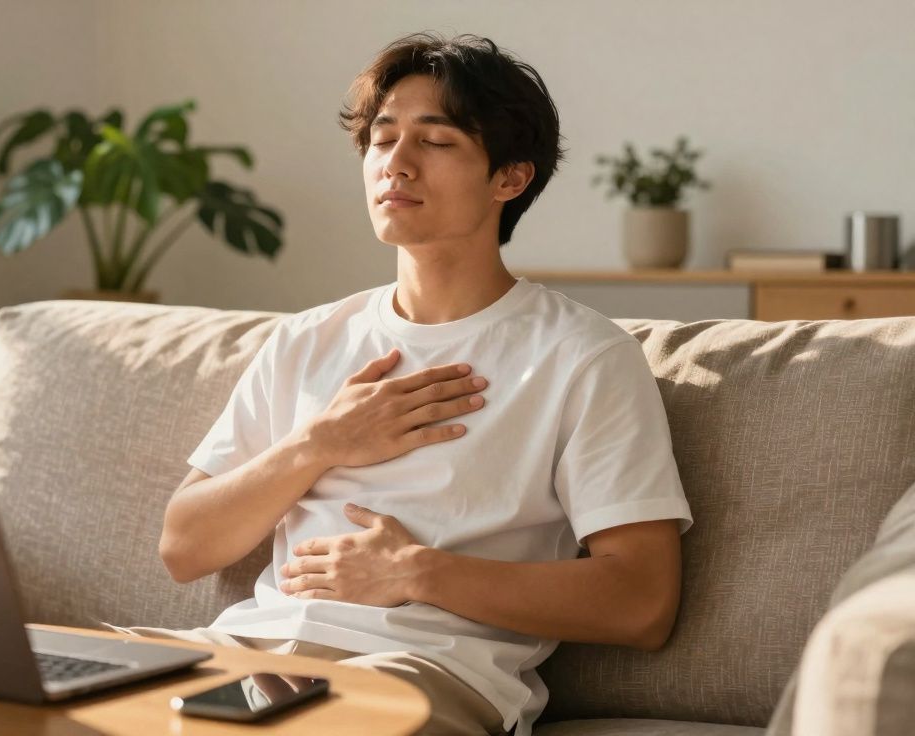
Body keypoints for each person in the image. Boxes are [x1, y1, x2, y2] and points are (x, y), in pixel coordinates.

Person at [102, 31, 693, 736]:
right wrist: (319, 443)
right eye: (382, 140)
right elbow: (184, 546)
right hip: (243, 656)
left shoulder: (583, 357)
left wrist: (416, 573)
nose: (397, 164)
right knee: (35, 691)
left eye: (436, 142)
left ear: (510, 178)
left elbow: (641, 603)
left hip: (419, 671)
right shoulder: (307, 339)